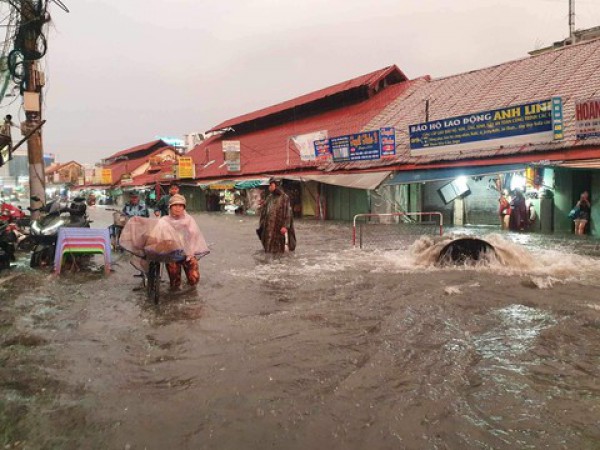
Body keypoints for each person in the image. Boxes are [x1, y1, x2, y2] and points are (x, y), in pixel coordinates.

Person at [160, 194, 209, 290]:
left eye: (180, 205)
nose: (178, 208)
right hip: (172, 254)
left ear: (184, 207)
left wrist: (190, 253)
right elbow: (157, 237)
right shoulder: (164, 221)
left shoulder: (189, 220)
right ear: (170, 207)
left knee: (194, 279)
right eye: (175, 205)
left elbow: (195, 237)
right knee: (175, 284)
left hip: (188, 253)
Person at [257, 178, 296, 254]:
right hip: (269, 227)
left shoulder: (284, 197)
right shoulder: (269, 197)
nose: (269, 187)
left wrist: (285, 226)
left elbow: (288, 213)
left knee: (279, 248)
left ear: (277, 185)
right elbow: (265, 210)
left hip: (279, 227)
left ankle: (279, 263)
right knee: (268, 247)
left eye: (271, 185)